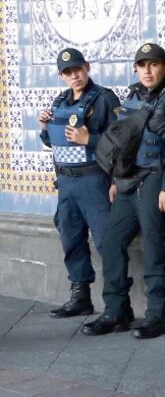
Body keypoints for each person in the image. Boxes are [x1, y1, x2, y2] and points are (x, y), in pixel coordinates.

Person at [82, 43, 165, 339]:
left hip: (156, 179)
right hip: (127, 182)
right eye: (142, 65)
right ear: (135, 68)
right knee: (110, 241)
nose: (147, 70)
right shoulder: (131, 97)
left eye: (154, 64)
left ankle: (156, 316)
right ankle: (116, 310)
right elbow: (122, 145)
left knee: (155, 244)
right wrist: (114, 182)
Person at [39, 48, 120, 318]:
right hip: (66, 183)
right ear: (61, 76)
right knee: (71, 239)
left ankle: (116, 305)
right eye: (68, 72)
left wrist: (91, 140)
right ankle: (80, 296)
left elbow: (121, 143)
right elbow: (53, 141)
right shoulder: (59, 102)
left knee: (106, 242)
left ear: (87, 67)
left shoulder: (105, 99)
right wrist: (44, 127)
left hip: (93, 180)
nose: (74, 76)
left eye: (77, 69)